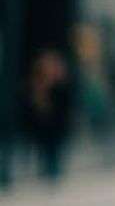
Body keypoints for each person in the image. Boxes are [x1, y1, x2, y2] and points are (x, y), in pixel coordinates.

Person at [21, 48, 73, 183]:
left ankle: (52, 169)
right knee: (45, 146)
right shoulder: (38, 83)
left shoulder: (59, 83)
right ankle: (48, 169)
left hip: (55, 124)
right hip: (43, 124)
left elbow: (64, 105)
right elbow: (32, 104)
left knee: (54, 146)